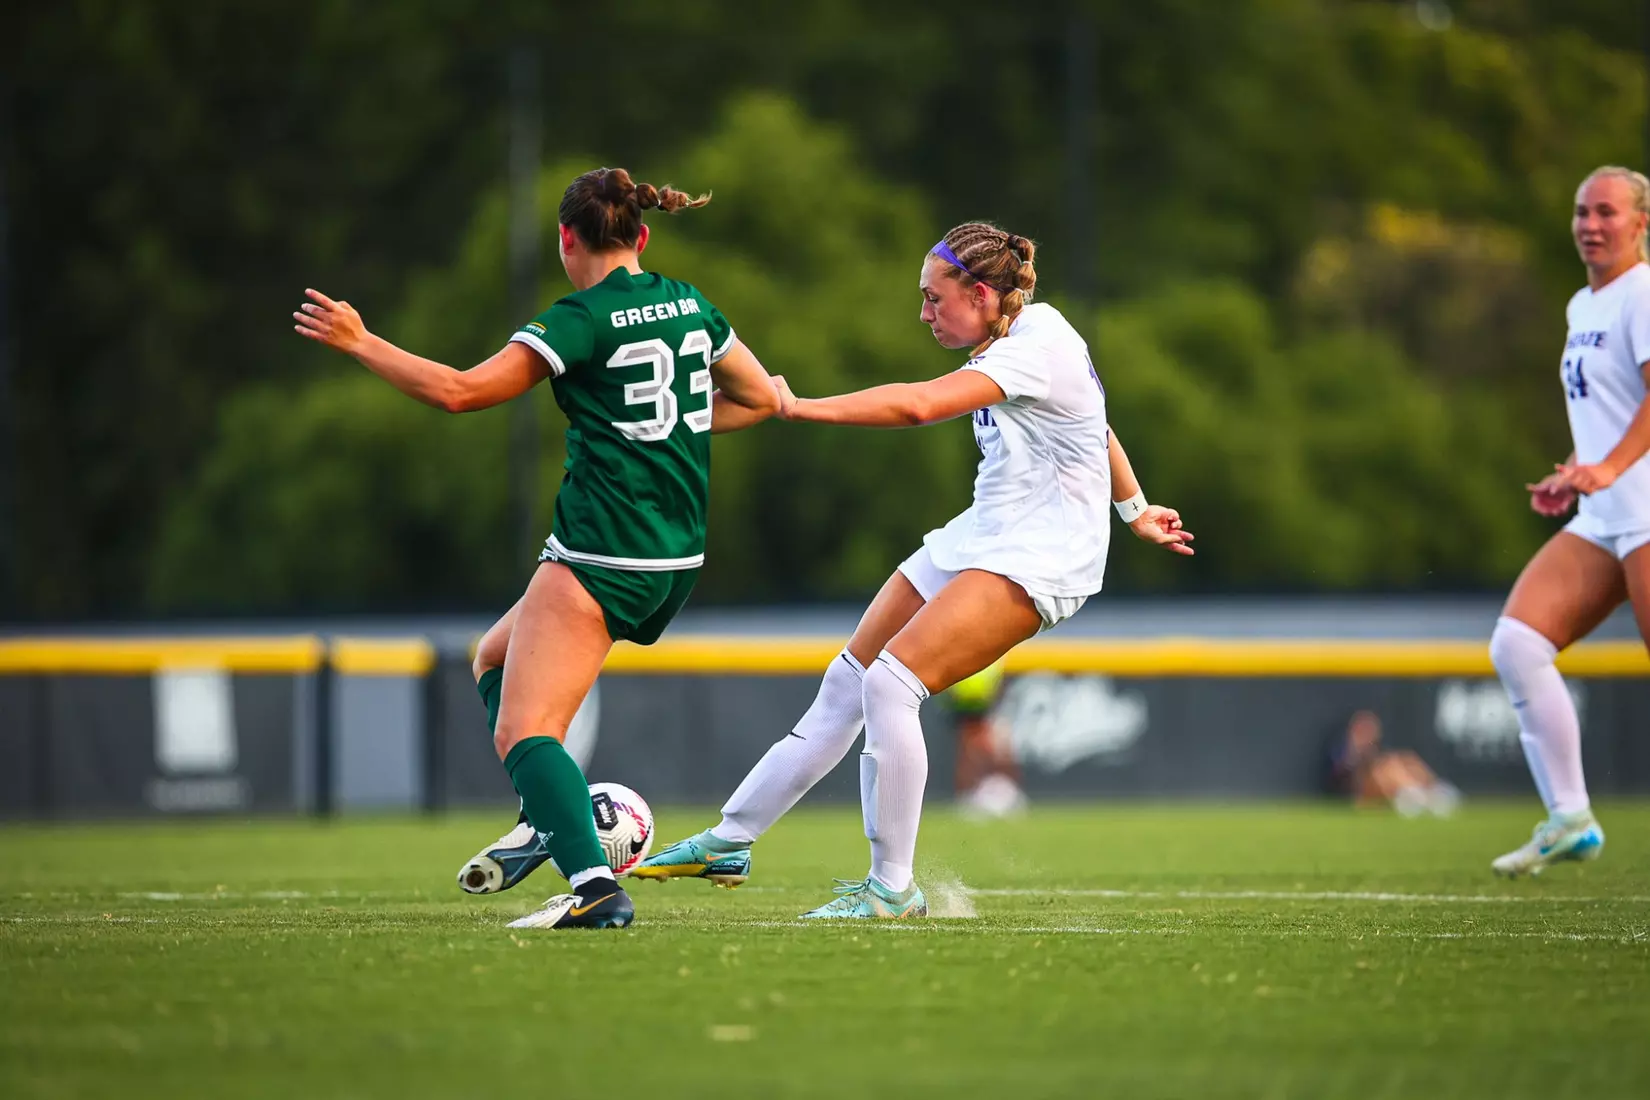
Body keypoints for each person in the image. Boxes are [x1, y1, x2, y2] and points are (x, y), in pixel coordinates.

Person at [635, 222, 1193, 918]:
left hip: (1041, 555)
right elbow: (1097, 427)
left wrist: (796, 405)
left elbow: (916, 405)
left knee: (892, 685)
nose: (925, 313)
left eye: (935, 299)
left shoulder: (1033, 348)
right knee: (848, 680)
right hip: (982, 535)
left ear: (982, 294)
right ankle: (731, 838)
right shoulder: (1018, 335)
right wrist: (1134, 508)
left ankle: (891, 889)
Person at [292, 167, 780, 928]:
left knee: (526, 730)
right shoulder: (693, 305)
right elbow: (762, 399)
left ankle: (594, 888)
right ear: (642, 237)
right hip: (674, 560)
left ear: (566, 239)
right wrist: (668, 427)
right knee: (491, 656)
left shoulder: (578, 319)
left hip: (600, 553)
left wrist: (361, 342)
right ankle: (543, 819)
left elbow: (459, 390)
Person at [1489, 165, 1650, 877]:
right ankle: (1570, 819)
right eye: (1583, 211)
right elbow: (1608, 409)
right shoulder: (1582, 305)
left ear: (1641, 222)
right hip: (1603, 512)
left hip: (1644, 505)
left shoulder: (1642, 294)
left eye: (1607, 212)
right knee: (1518, 645)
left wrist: (1612, 467)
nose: (1591, 224)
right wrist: (1578, 469)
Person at [1327, 710, 1459, 818]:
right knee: (1382, 771)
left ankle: (1429, 789)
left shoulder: (1378, 754)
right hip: (1357, 791)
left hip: (1379, 784)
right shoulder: (1344, 749)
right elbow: (1345, 773)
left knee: (1399, 760)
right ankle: (1416, 796)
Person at [945, 658, 1028, 818]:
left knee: (991, 746)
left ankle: (1004, 792)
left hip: (988, 701)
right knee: (970, 747)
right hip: (966, 701)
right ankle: (970, 796)